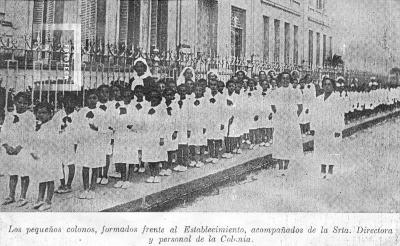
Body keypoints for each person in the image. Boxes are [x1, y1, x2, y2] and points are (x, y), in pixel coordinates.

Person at [1, 92, 35, 207]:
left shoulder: (30, 116)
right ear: (15, 102)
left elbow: (30, 134)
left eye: (25, 103)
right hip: (11, 149)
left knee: (24, 173)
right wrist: (6, 146)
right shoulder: (9, 116)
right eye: (20, 102)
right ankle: (11, 195)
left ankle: (23, 196)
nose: (22, 105)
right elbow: (4, 132)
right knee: (13, 173)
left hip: (23, 149)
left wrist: (19, 147)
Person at [311, 77, 345, 179]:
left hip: (332, 128)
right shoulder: (318, 99)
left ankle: (330, 170)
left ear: (333, 86)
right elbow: (314, 114)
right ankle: (322, 169)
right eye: (325, 84)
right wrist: (312, 127)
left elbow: (340, 115)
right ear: (322, 86)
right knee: (320, 149)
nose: (327, 86)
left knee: (331, 149)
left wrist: (338, 129)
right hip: (320, 128)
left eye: (329, 84)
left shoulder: (337, 99)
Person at [271, 72, 303, 176]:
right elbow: (273, 106)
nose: (285, 80)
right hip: (280, 120)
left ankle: (286, 167)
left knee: (289, 142)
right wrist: (280, 115)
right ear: (280, 80)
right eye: (283, 79)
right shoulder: (276, 91)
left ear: (290, 80)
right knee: (280, 142)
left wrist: (292, 117)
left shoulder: (295, 91)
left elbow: (300, 108)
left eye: (287, 78)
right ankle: (280, 167)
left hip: (291, 120)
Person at [75, 90, 105, 199]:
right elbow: (77, 127)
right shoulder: (82, 112)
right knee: (85, 165)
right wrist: (77, 141)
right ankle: (85, 188)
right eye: (90, 98)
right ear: (86, 99)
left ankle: (92, 188)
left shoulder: (101, 112)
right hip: (85, 142)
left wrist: (97, 128)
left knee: (95, 165)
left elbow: (106, 128)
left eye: (94, 98)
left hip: (96, 142)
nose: (92, 100)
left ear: (97, 99)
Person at [31, 102, 61, 211]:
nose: (41, 115)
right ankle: (40, 198)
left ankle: (48, 200)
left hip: (50, 157)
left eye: (44, 113)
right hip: (41, 157)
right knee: (42, 178)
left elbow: (52, 142)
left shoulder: (52, 126)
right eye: (39, 113)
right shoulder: (40, 126)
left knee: (50, 179)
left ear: (50, 114)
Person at [53, 94, 79, 194]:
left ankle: (69, 184)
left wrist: (76, 145)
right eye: (67, 102)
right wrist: (60, 128)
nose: (70, 104)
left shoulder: (77, 116)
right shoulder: (58, 115)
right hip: (59, 142)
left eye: (72, 102)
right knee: (60, 163)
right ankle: (62, 183)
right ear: (63, 103)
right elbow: (53, 127)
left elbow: (78, 131)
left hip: (71, 143)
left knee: (70, 163)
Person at [112, 88, 137, 189]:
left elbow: (138, 122)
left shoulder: (135, 107)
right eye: (125, 95)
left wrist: (132, 126)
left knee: (131, 157)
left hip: (130, 135)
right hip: (120, 135)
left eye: (129, 95)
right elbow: (113, 120)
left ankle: (129, 179)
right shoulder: (118, 107)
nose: (127, 98)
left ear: (131, 96)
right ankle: (122, 178)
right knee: (121, 157)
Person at [142, 89, 168, 183]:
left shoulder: (161, 110)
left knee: (156, 156)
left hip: (157, 136)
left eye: (156, 97)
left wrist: (162, 137)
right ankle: (151, 174)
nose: (153, 99)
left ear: (159, 99)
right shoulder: (146, 109)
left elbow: (163, 125)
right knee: (149, 156)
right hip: (148, 136)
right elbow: (143, 123)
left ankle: (156, 174)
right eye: (152, 97)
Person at [187, 84, 208, 168]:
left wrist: (204, 126)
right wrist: (188, 127)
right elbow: (188, 114)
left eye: (200, 90)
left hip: (201, 124)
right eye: (196, 90)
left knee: (201, 142)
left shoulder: (204, 101)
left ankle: (200, 159)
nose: (198, 92)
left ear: (202, 91)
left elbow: (206, 115)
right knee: (192, 142)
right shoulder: (190, 101)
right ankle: (193, 159)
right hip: (192, 124)